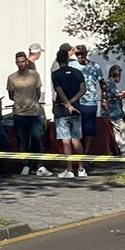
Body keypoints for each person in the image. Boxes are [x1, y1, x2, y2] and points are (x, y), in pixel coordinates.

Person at [7, 48, 48, 176]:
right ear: (16, 62)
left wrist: (31, 101)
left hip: (34, 112)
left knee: (37, 139)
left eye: (23, 61)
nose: (21, 64)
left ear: (26, 61)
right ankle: (25, 165)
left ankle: (39, 165)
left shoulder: (34, 75)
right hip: (19, 113)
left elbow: (37, 91)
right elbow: (11, 95)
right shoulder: (12, 77)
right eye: (18, 62)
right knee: (22, 140)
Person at [51, 42, 86, 177]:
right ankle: (81, 169)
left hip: (61, 109)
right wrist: (73, 102)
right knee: (76, 138)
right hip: (76, 107)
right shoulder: (77, 72)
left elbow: (59, 91)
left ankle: (70, 169)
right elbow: (83, 90)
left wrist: (67, 104)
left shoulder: (56, 75)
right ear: (67, 59)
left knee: (66, 139)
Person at [74, 45, 103, 148]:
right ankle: (78, 154)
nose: (79, 56)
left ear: (86, 54)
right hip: (76, 102)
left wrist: (105, 99)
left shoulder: (95, 66)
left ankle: (85, 154)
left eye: (81, 54)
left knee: (89, 130)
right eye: (77, 54)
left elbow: (102, 83)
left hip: (90, 102)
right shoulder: (72, 65)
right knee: (77, 130)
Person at [104, 64, 125, 155]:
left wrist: (122, 93)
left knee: (117, 131)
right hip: (113, 112)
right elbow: (114, 96)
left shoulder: (111, 84)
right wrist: (123, 95)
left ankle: (122, 149)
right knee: (123, 127)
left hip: (116, 111)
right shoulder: (110, 83)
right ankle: (124, 145)